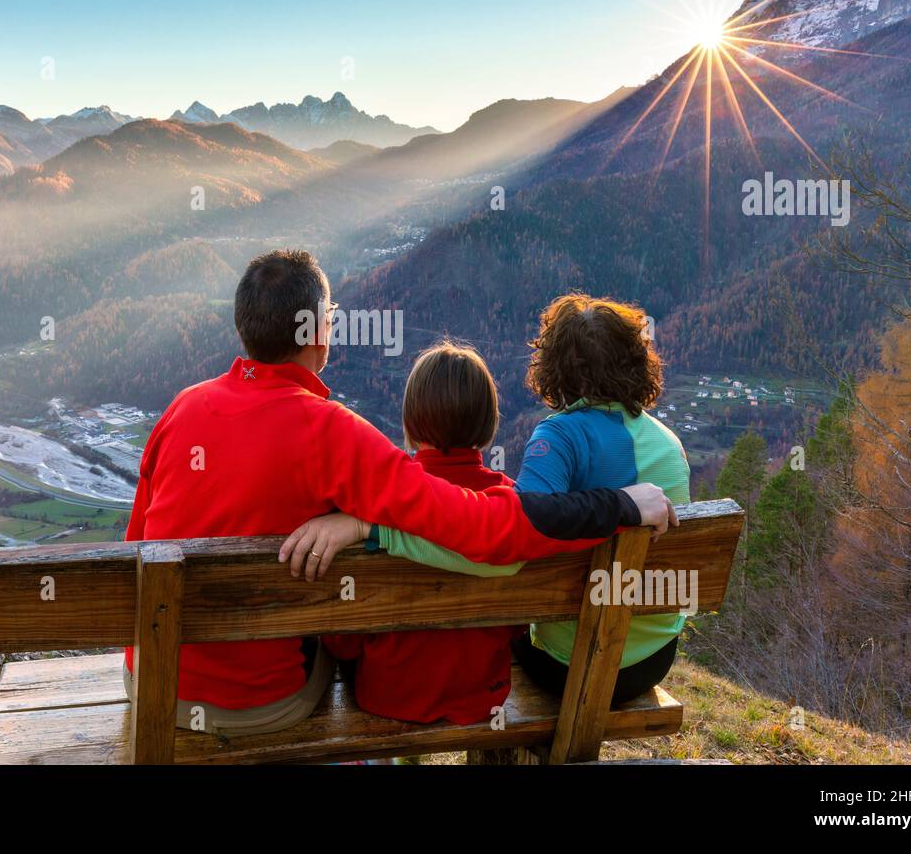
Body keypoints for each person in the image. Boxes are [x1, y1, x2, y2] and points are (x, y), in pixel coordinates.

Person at [126, 250, 676, 737]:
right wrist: (622, 504)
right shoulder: (333, 433)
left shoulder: (181, 409)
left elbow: (138, 545)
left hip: (149, 681)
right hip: (262, 704)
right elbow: (487, 529)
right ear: (318, 332)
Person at [282, 293, 688, 706]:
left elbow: (512, 539)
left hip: (565, 665)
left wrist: (373, 527)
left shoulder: (558, 438)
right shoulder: (671, 447)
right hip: (651, 660)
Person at [322, 341, 524, 724]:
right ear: (488, 421)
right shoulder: (510, 506)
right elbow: (517, 624)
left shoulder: (376, 504)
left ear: (411, 423)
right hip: (484, 696)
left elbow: (343, 640)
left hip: (388, 694)